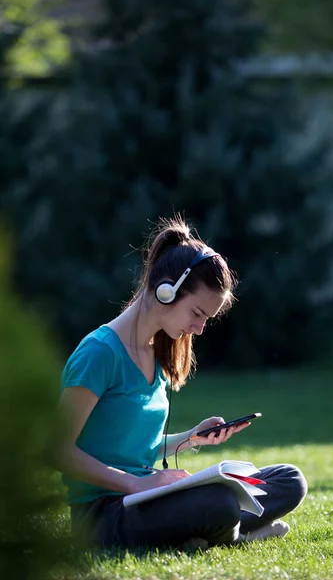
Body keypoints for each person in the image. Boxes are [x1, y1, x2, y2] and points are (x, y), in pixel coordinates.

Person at [53, 215, 307, 549]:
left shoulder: (154, 352)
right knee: (218, 503)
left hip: (147, 500)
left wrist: (192, 438)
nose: (200, 328)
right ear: (166, 291)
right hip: (104, 514)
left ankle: (206, 532)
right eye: (197, 313)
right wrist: (134, 485)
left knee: (289, 479)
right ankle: (231, 533)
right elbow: (54, 449)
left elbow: (131, 445)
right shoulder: (99, 353)